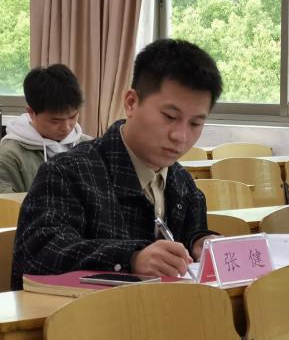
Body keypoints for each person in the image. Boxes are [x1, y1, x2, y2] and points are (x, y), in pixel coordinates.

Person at [12, 39, 223, 289]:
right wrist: (131, 258)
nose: (181, 136)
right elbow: (39, 254)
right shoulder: (66, 172)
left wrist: (200, 242)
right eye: (170, 116)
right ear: (131, 102)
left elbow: (187, 253)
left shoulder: (183, 184)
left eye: (195, 123)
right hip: (88, 313)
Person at [0, 64, 91, 193]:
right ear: (31, 112)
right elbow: (7, 203)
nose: (66, 127)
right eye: (55, 121)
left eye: (72, 117)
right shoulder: (10, 155)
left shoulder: (89, 146)